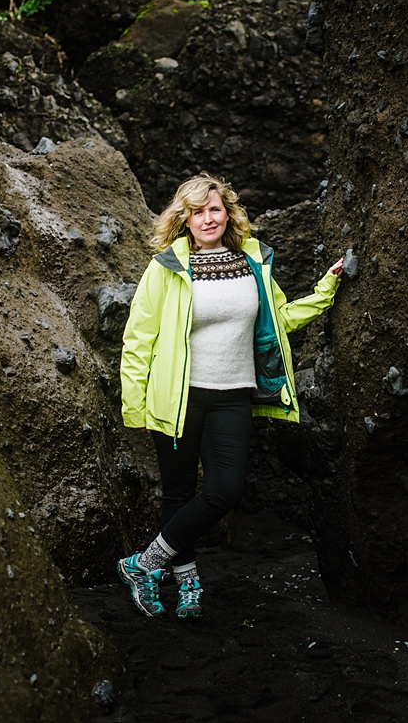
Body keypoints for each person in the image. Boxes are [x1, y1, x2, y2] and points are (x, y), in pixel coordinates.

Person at [118, 172, 344, 619]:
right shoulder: (165, 266)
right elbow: (138, 339)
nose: (208, 218)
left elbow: (278, 320)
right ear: (184, 219)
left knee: (225, 490)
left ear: (228, 213)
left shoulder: (253, 261)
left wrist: (326, 290)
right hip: (177, 397)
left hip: (232, 396)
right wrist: (136, 404)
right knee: (179, 491)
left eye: (215, 209)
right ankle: (186, 587)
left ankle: (143, 564)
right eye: (198, 211)